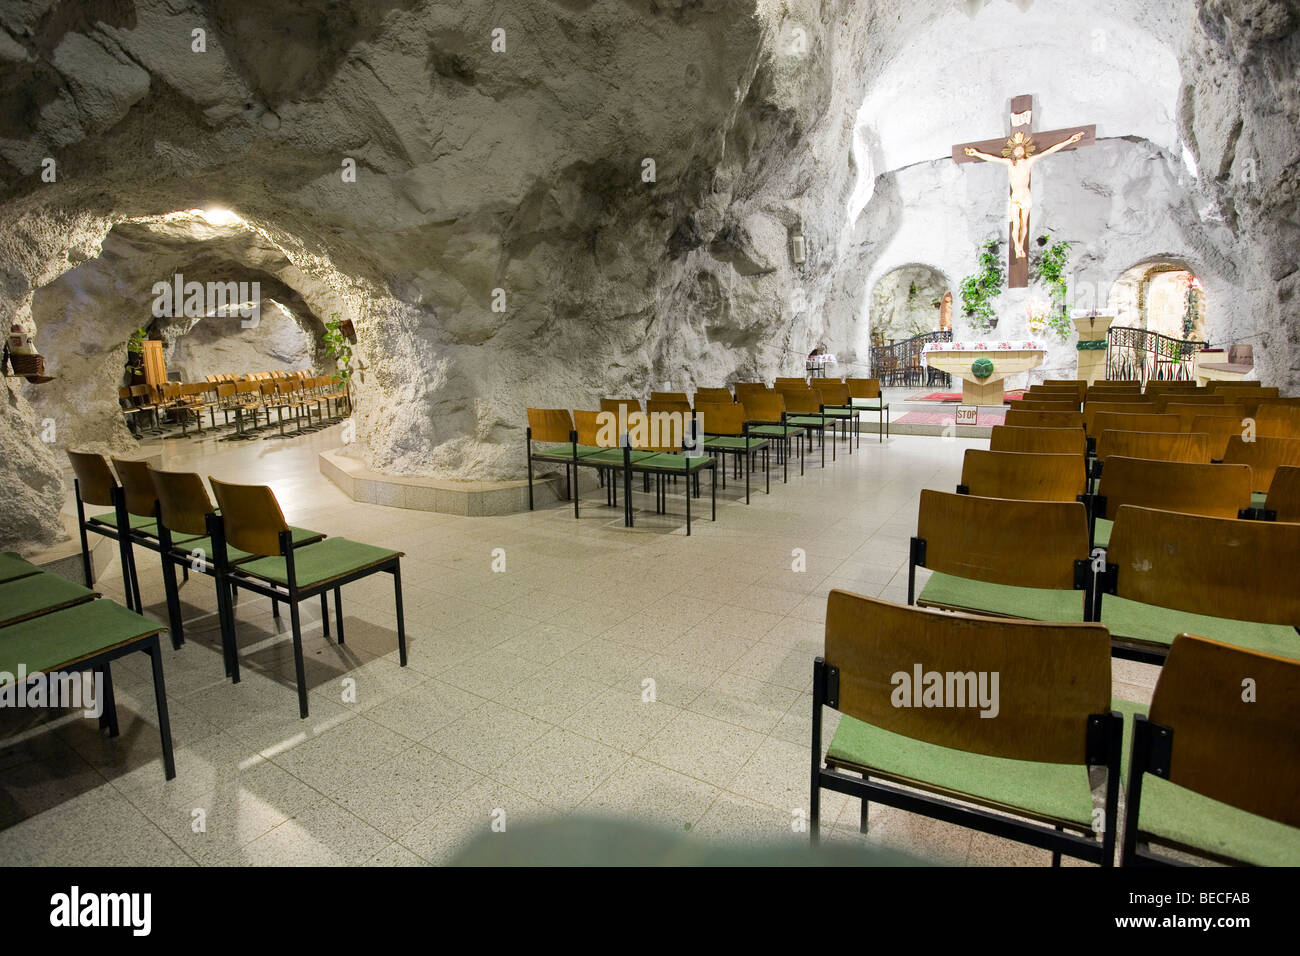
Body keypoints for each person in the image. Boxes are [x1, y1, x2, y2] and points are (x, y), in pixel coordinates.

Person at [964, 130, 1085, 260]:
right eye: (1017, 150)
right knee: (1016, 223)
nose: (1019, 151)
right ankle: (1018, 247)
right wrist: (976, 153)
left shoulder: (1029, 162)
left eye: (1022, 149)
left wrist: (1069, 141)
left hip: (1025, 195)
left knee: (1024, 223)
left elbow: (1048, 151)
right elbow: (992, 158)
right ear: (1013, 152)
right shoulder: (1009, 163)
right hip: (1015, 197)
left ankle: (1021, 244)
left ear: (1025, 151)